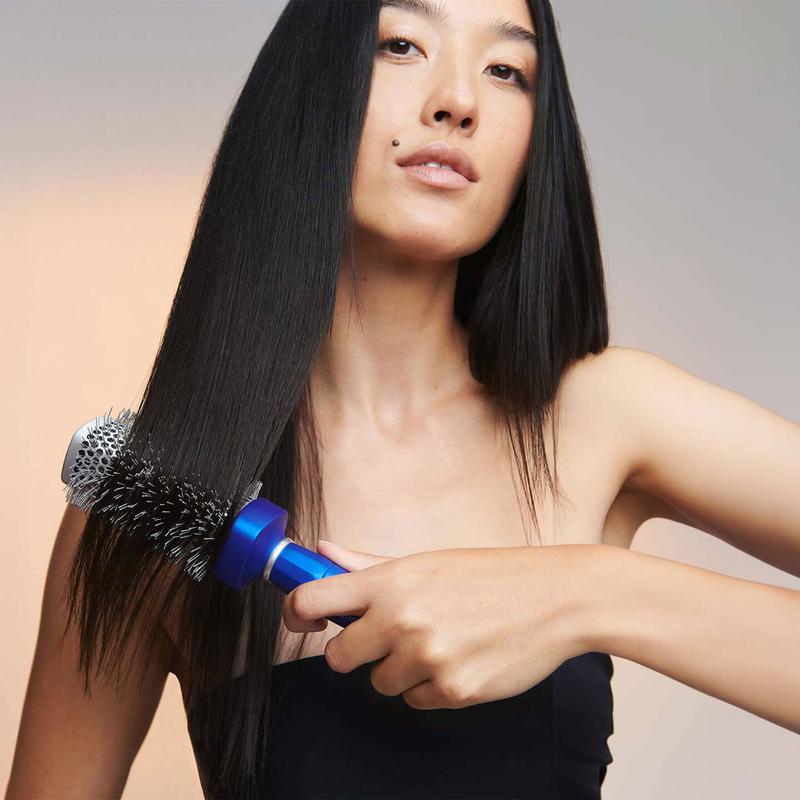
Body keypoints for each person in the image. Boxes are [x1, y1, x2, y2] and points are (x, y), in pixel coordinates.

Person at [8, 1, 800, 798]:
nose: (459, 100)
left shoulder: (607, 418)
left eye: (506, 70)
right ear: (310, 85)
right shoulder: (163, 497)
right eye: (401, 44)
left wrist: (588, 592)